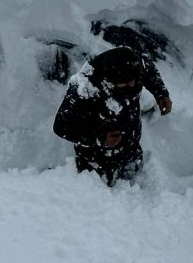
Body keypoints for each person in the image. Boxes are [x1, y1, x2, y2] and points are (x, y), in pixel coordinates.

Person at [52, 46, 172, 185]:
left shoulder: (133, 63)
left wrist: (161, 93)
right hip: (96, 156)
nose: (131, 85)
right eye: (124, 84)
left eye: (133, 81)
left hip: (130, 143)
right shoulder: (85, 87)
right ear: (110, 78)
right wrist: (100, 138)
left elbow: (148, 70)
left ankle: (128, 159)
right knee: (101, 193)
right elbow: (61, 126)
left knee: (132, 173)